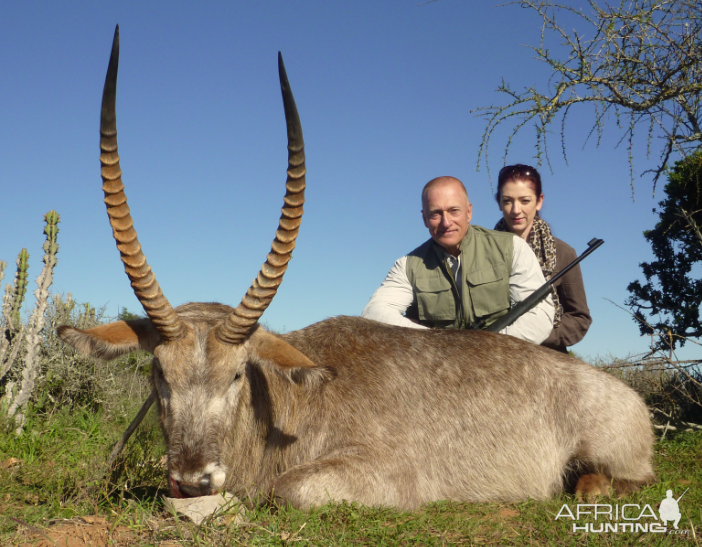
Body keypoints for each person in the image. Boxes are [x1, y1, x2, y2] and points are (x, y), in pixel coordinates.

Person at [362, 176, 554, 344]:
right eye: (436, 213)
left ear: (469, 212)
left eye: (454, 210)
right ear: (425, 219)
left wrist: (491, 348)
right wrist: (441, 346)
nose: (446, 223)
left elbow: (540, 315)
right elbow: (374, 313)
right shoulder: (408, 265)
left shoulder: (512, 248)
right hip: (435, 367)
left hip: (500, 363)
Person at [494, 164, 591, 353]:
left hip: (547, 360)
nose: (516, 210)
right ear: (499, 202)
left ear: (539, 201)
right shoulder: (481, 250)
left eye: (525, 200)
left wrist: (536, 332)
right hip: (494, 356)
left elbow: (580, 319)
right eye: (507, 201)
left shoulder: (564, 253)